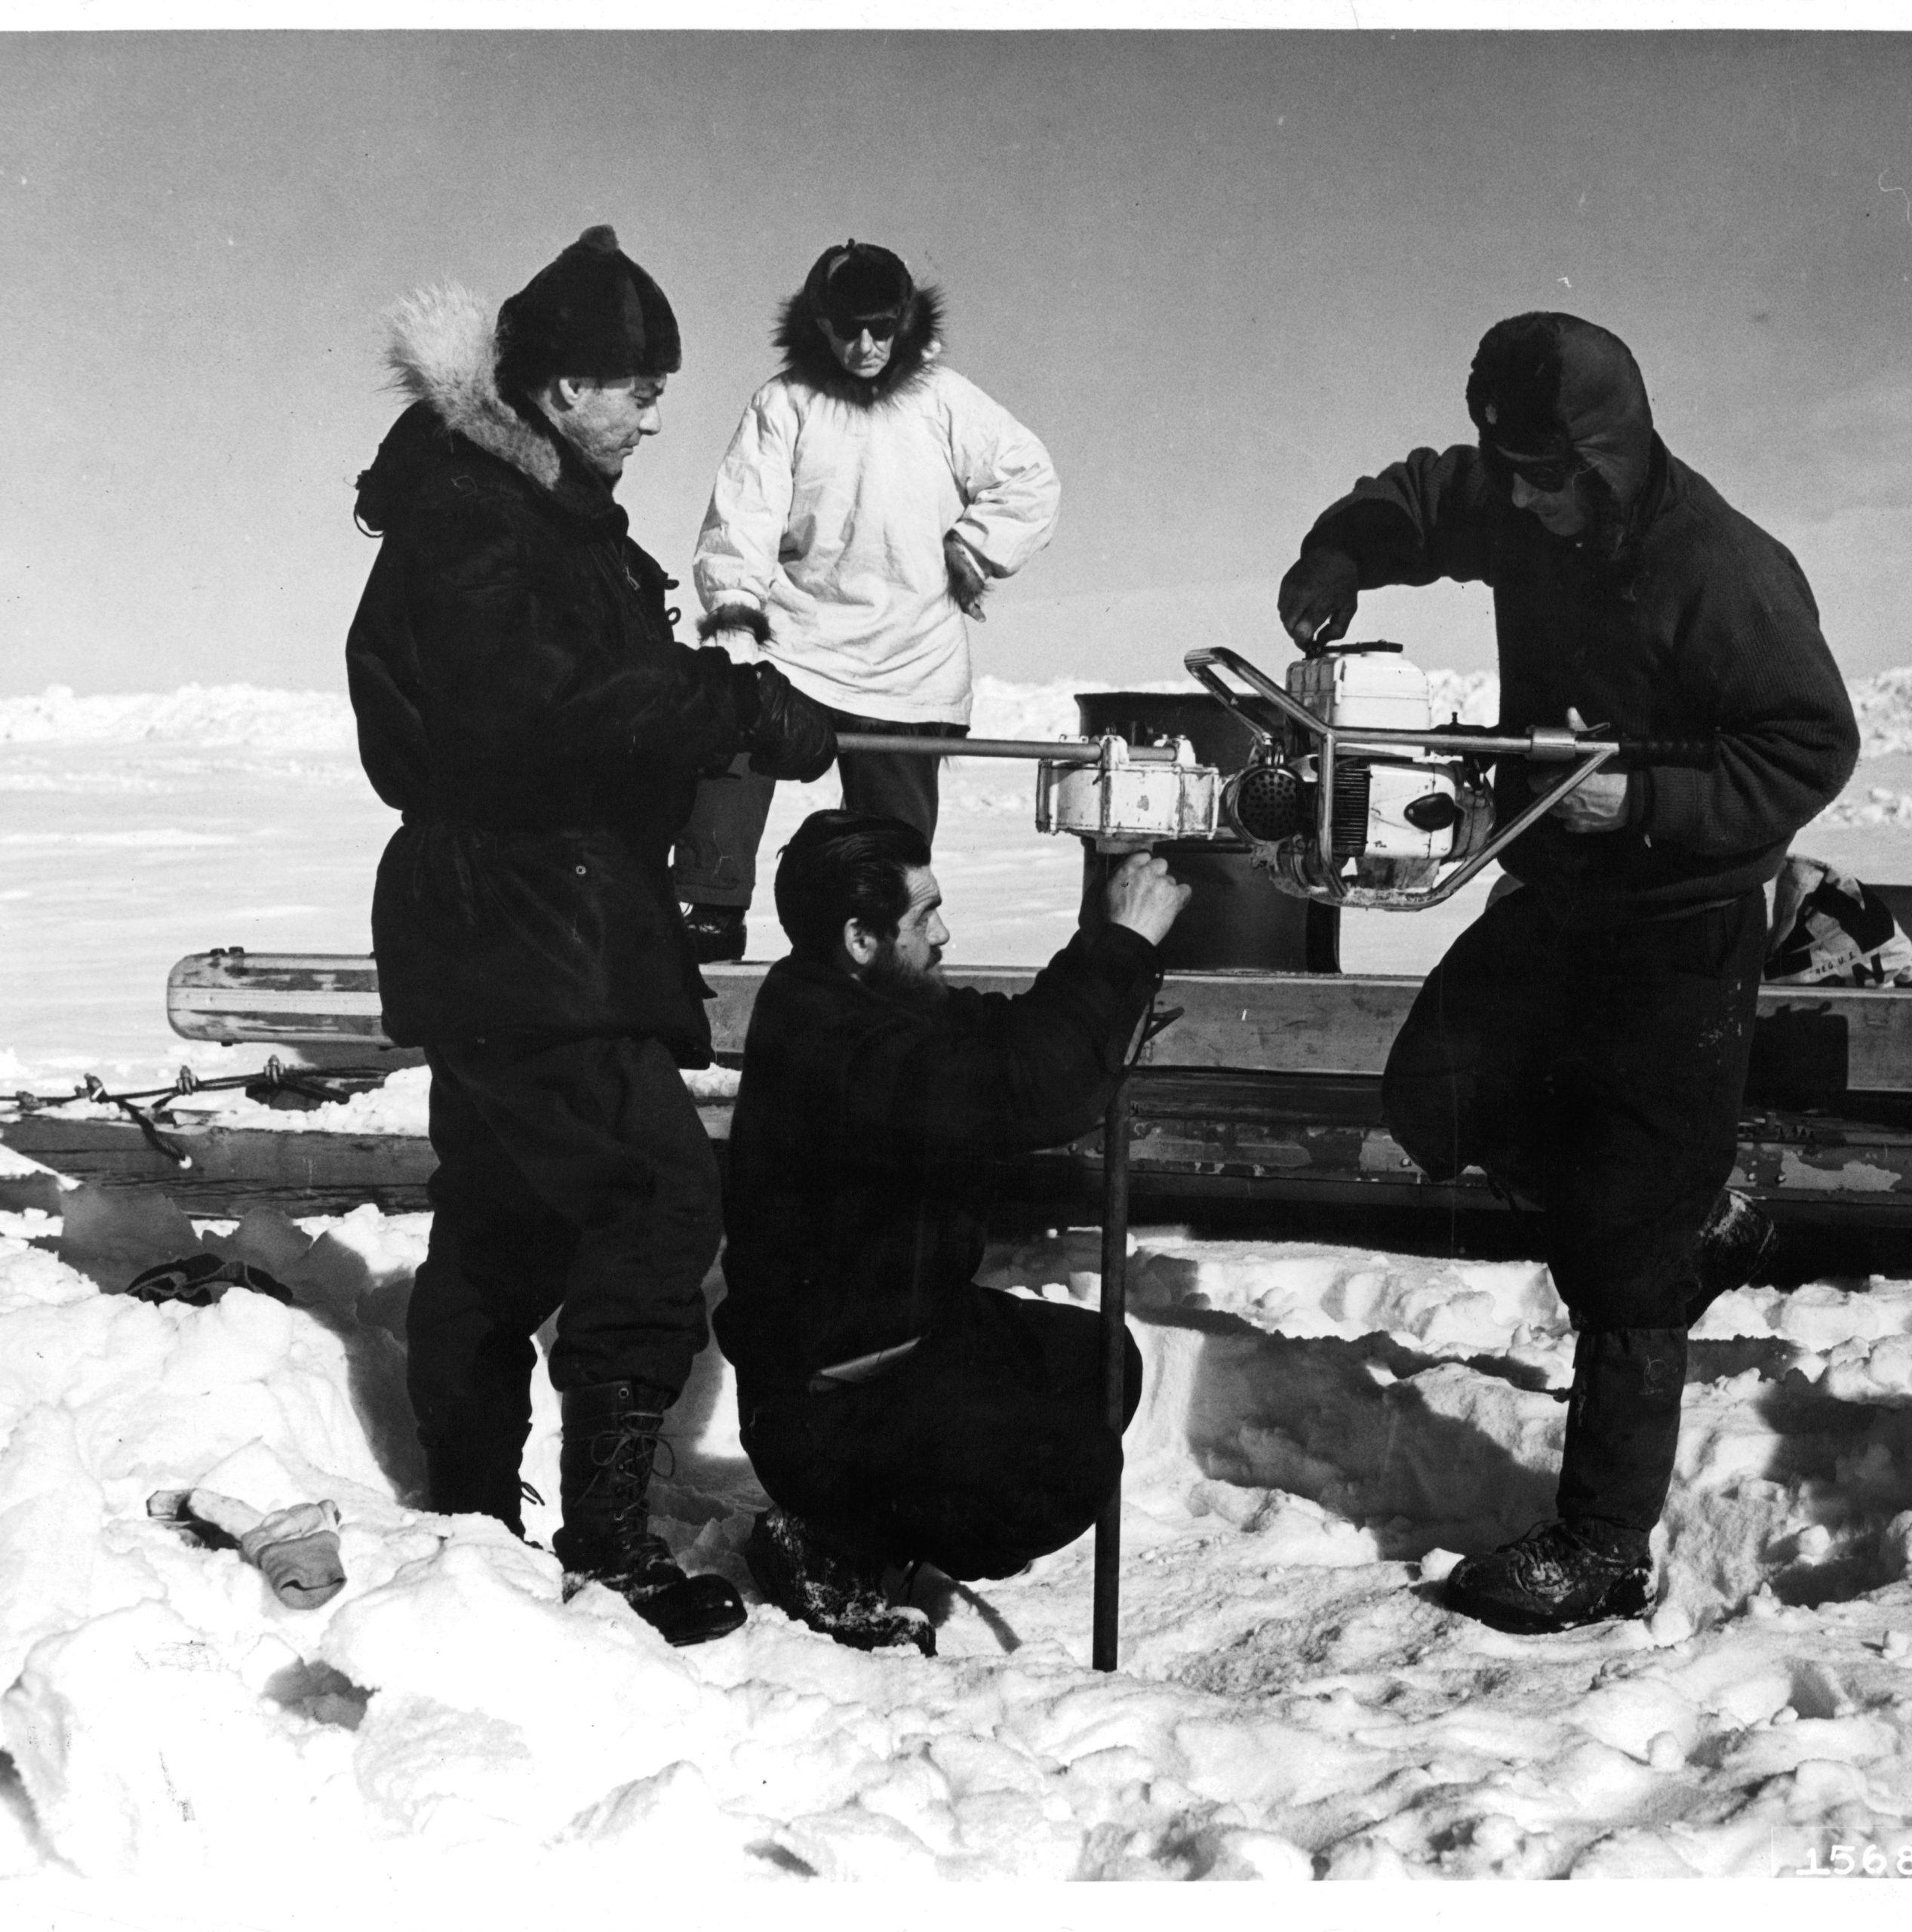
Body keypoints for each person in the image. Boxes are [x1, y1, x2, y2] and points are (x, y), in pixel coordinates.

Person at [1277, 312, 1858, 1635]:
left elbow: (1804, 749)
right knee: (1435, 1097)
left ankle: (1601, 1544)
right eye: (1515, 475)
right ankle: (1675, 1213)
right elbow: (1427, 493)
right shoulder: (1515, 491)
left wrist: (1640, 799)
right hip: (1558, 898)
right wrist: (1342, 549)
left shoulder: (1720, 569)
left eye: (1546, 480)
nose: (1523, 505)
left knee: (1619, 1245)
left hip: (1679, 915)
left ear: (1603, 456)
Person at [344, 226, 837, 1647]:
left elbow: (589, 690)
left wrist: (707, 705)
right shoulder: (475, 521)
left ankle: (471, 1522)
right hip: (522, 909)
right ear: (556, 390)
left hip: (536, 910)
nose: (650, 410)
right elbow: (530, 717)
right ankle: (607, 1546)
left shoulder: (531, 513)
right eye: (630, 385)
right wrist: (730, 711)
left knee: (505, 1220)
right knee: (654, 1202)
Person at [716, 811, 1190, 1652]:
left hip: (908, 1337)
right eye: (921, 917)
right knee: (1068, 1469)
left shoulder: (853, 996)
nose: (944, 933)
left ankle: (870, 1522)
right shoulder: (845, 1046)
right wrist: (1118, 946)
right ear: (861, 938)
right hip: (831, 1401)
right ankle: (830, 1538)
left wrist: (1101, 979)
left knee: (1095, 1364)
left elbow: (1007, 1035)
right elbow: (1024, 1088)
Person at [672, 239, 1062, 962]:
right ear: (819, 323)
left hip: (912, 660)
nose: (864, 345)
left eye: (880, 328)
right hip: (802, 645)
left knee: (893, 851)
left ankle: (887, 949)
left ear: (904, 322)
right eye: (847, 328)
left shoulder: (945, 400)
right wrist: (734, 615)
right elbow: (743, 515)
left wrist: (973, 548)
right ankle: (713, 912)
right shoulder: (783, 402)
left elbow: (1032, 480)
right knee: (727, 730)